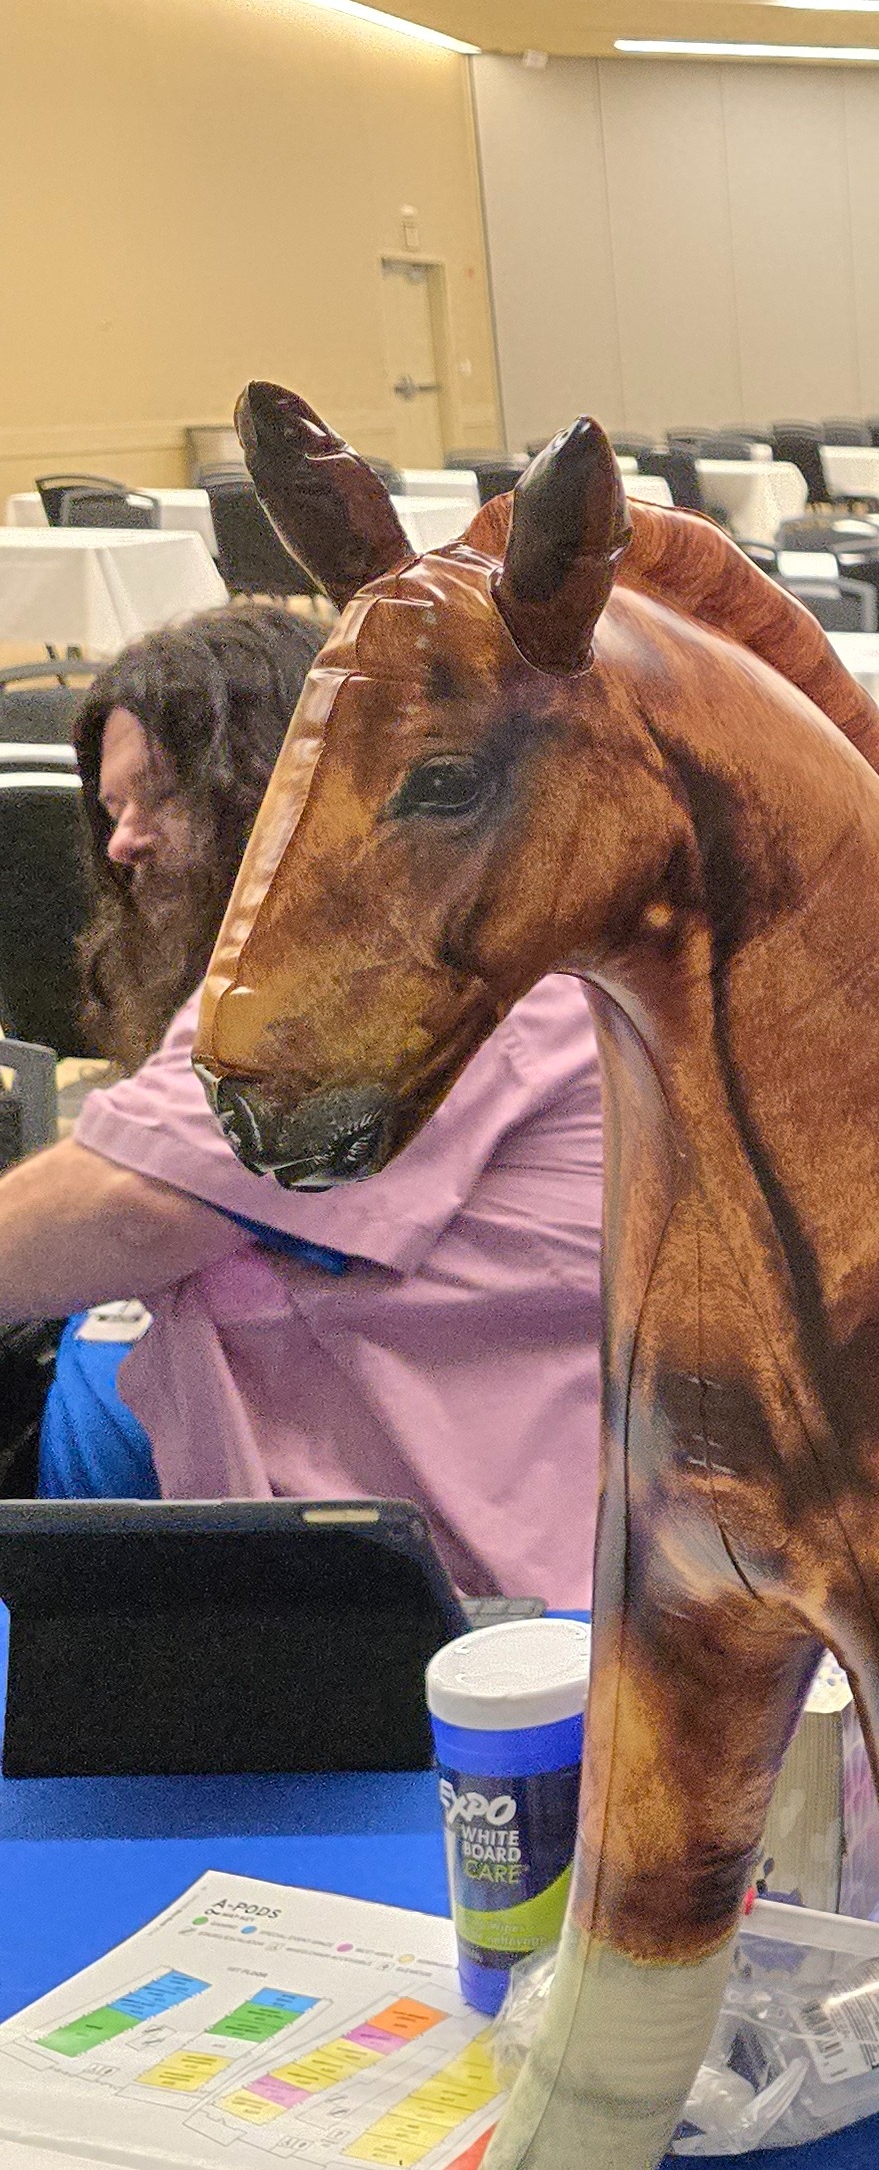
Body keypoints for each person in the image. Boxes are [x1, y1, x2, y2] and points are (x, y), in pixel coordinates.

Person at [0, 600, 605, 1605]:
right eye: (112, 810)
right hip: (384, 1552)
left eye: (161, 798)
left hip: (489, 1618)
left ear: (289, 786)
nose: (123, 844)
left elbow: (133, 1206)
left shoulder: (413, 955)